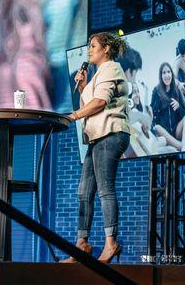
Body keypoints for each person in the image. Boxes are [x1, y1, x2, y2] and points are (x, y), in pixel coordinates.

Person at [63, 32, 130, 264]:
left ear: (106, 49)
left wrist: (73, 115)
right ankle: (82, 244)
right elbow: (94, 98)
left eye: (92, 46)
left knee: (105, 189)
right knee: (84, 191)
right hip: (97, 138)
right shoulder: (97, 74)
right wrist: (82, 87)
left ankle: (111, 244)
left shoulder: (111, 68)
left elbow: (100, 103)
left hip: (111, 134)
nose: (88, 50)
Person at [150, 62, 185, 151]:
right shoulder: (156, 91)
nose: (167, 75)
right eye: (164, 73)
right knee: (157, 127)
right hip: (165, 133)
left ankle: (183, 149)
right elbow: (153, 113)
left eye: (168, 72)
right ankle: (181, 146)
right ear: (160, 76)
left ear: (172, 74)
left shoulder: (176, 89)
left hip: (176, 131)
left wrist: (179, 107)